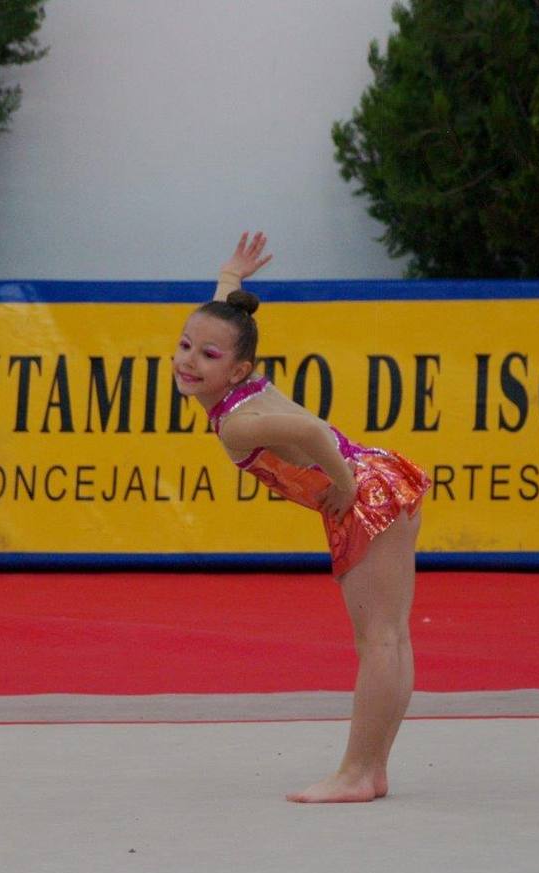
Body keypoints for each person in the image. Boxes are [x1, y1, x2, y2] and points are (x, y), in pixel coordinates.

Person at [173, 231, 431, 803]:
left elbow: (313, 432)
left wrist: (343, 487)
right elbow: (224, 321)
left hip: (363, 495)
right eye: (185, 345)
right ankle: (372, 770)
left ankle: (358, 774)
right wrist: (230, 275)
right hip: (380, 480)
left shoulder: (237, 424)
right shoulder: (236, 371)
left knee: (380, 640)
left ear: (239, 370)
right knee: (390, 637)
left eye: (208, 356)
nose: (189, 360)